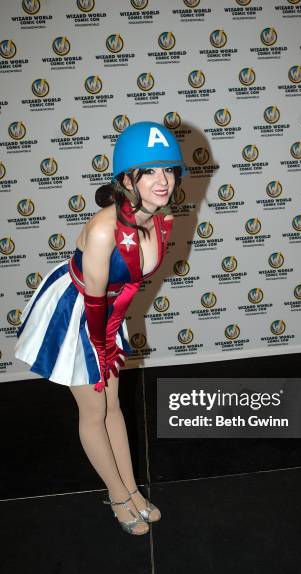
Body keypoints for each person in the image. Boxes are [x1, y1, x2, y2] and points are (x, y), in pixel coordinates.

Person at [14, 121, 187, 535]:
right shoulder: (103, 229)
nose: (162, 181)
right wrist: (103, 345)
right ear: (128, 179)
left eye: (167, 170)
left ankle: (132, 490)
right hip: (78, 313)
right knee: (93, 409)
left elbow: (120, 288)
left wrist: (112, 331)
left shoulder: (160, 220)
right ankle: (117, 497)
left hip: (107, 313)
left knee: (113, 405)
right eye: (149, 172)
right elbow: (92, 298)